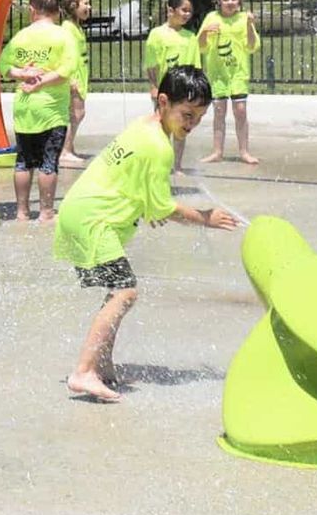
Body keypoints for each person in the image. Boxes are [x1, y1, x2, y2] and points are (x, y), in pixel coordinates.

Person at [54, 65, 239, 402]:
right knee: (125, 292)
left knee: (118, 289)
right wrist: (205, 217)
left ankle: (103, 365)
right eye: (186, 114)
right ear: (164, 101)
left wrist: (147, 205)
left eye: (198, 118)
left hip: (81, 212)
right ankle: (83, 372)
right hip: (93, 220)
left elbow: (132, 181)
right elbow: (163, 209)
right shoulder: (159, 147)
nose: (191, 124)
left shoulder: (144, 126)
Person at [0, 0, 78, 223]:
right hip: (51, 110)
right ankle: (46, 211)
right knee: (48, 161)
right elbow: (67, 70)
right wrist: (40, 81)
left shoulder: (21, 36)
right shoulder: (62, 36)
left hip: (24, 108)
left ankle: (21, 212)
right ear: (56, 11)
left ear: (33, 10)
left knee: (23, 161)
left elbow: (1, 65)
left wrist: (22, 74)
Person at [198, 0, 261, 165]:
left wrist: (249, 25)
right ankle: (217, 151)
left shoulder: (243, 18)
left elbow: (251, 46)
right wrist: (204, 33)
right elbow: (201, 46)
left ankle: (244, 151)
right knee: (219, 111)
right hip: (218, 75)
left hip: (238, 74)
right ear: (219, 1)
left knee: (240, 111)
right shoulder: (211, 17)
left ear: (239, 0)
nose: (230, 2)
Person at [144, 0, 201, 170]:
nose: (187, 14)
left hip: (183, 92)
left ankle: (177, 165)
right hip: (164, 91)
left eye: (189, 11)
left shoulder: (191, 37)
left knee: (181, 128)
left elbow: (195, 66)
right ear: (170, 10)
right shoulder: (156, 34)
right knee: (162, 128)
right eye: (184, 10)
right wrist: (154, 86)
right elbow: (151, 64)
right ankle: (160, 164)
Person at [58, 0, 92, 170]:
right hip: (74, 78)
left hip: (80, 76)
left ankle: (68, 147)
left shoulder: (76, 27)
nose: (89, 7)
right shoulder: (67, 29)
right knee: (76, 113)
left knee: (77, 113)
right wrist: (70, 79)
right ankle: (64, 151)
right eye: (85, 3)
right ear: (73, 7)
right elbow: (64, 55)